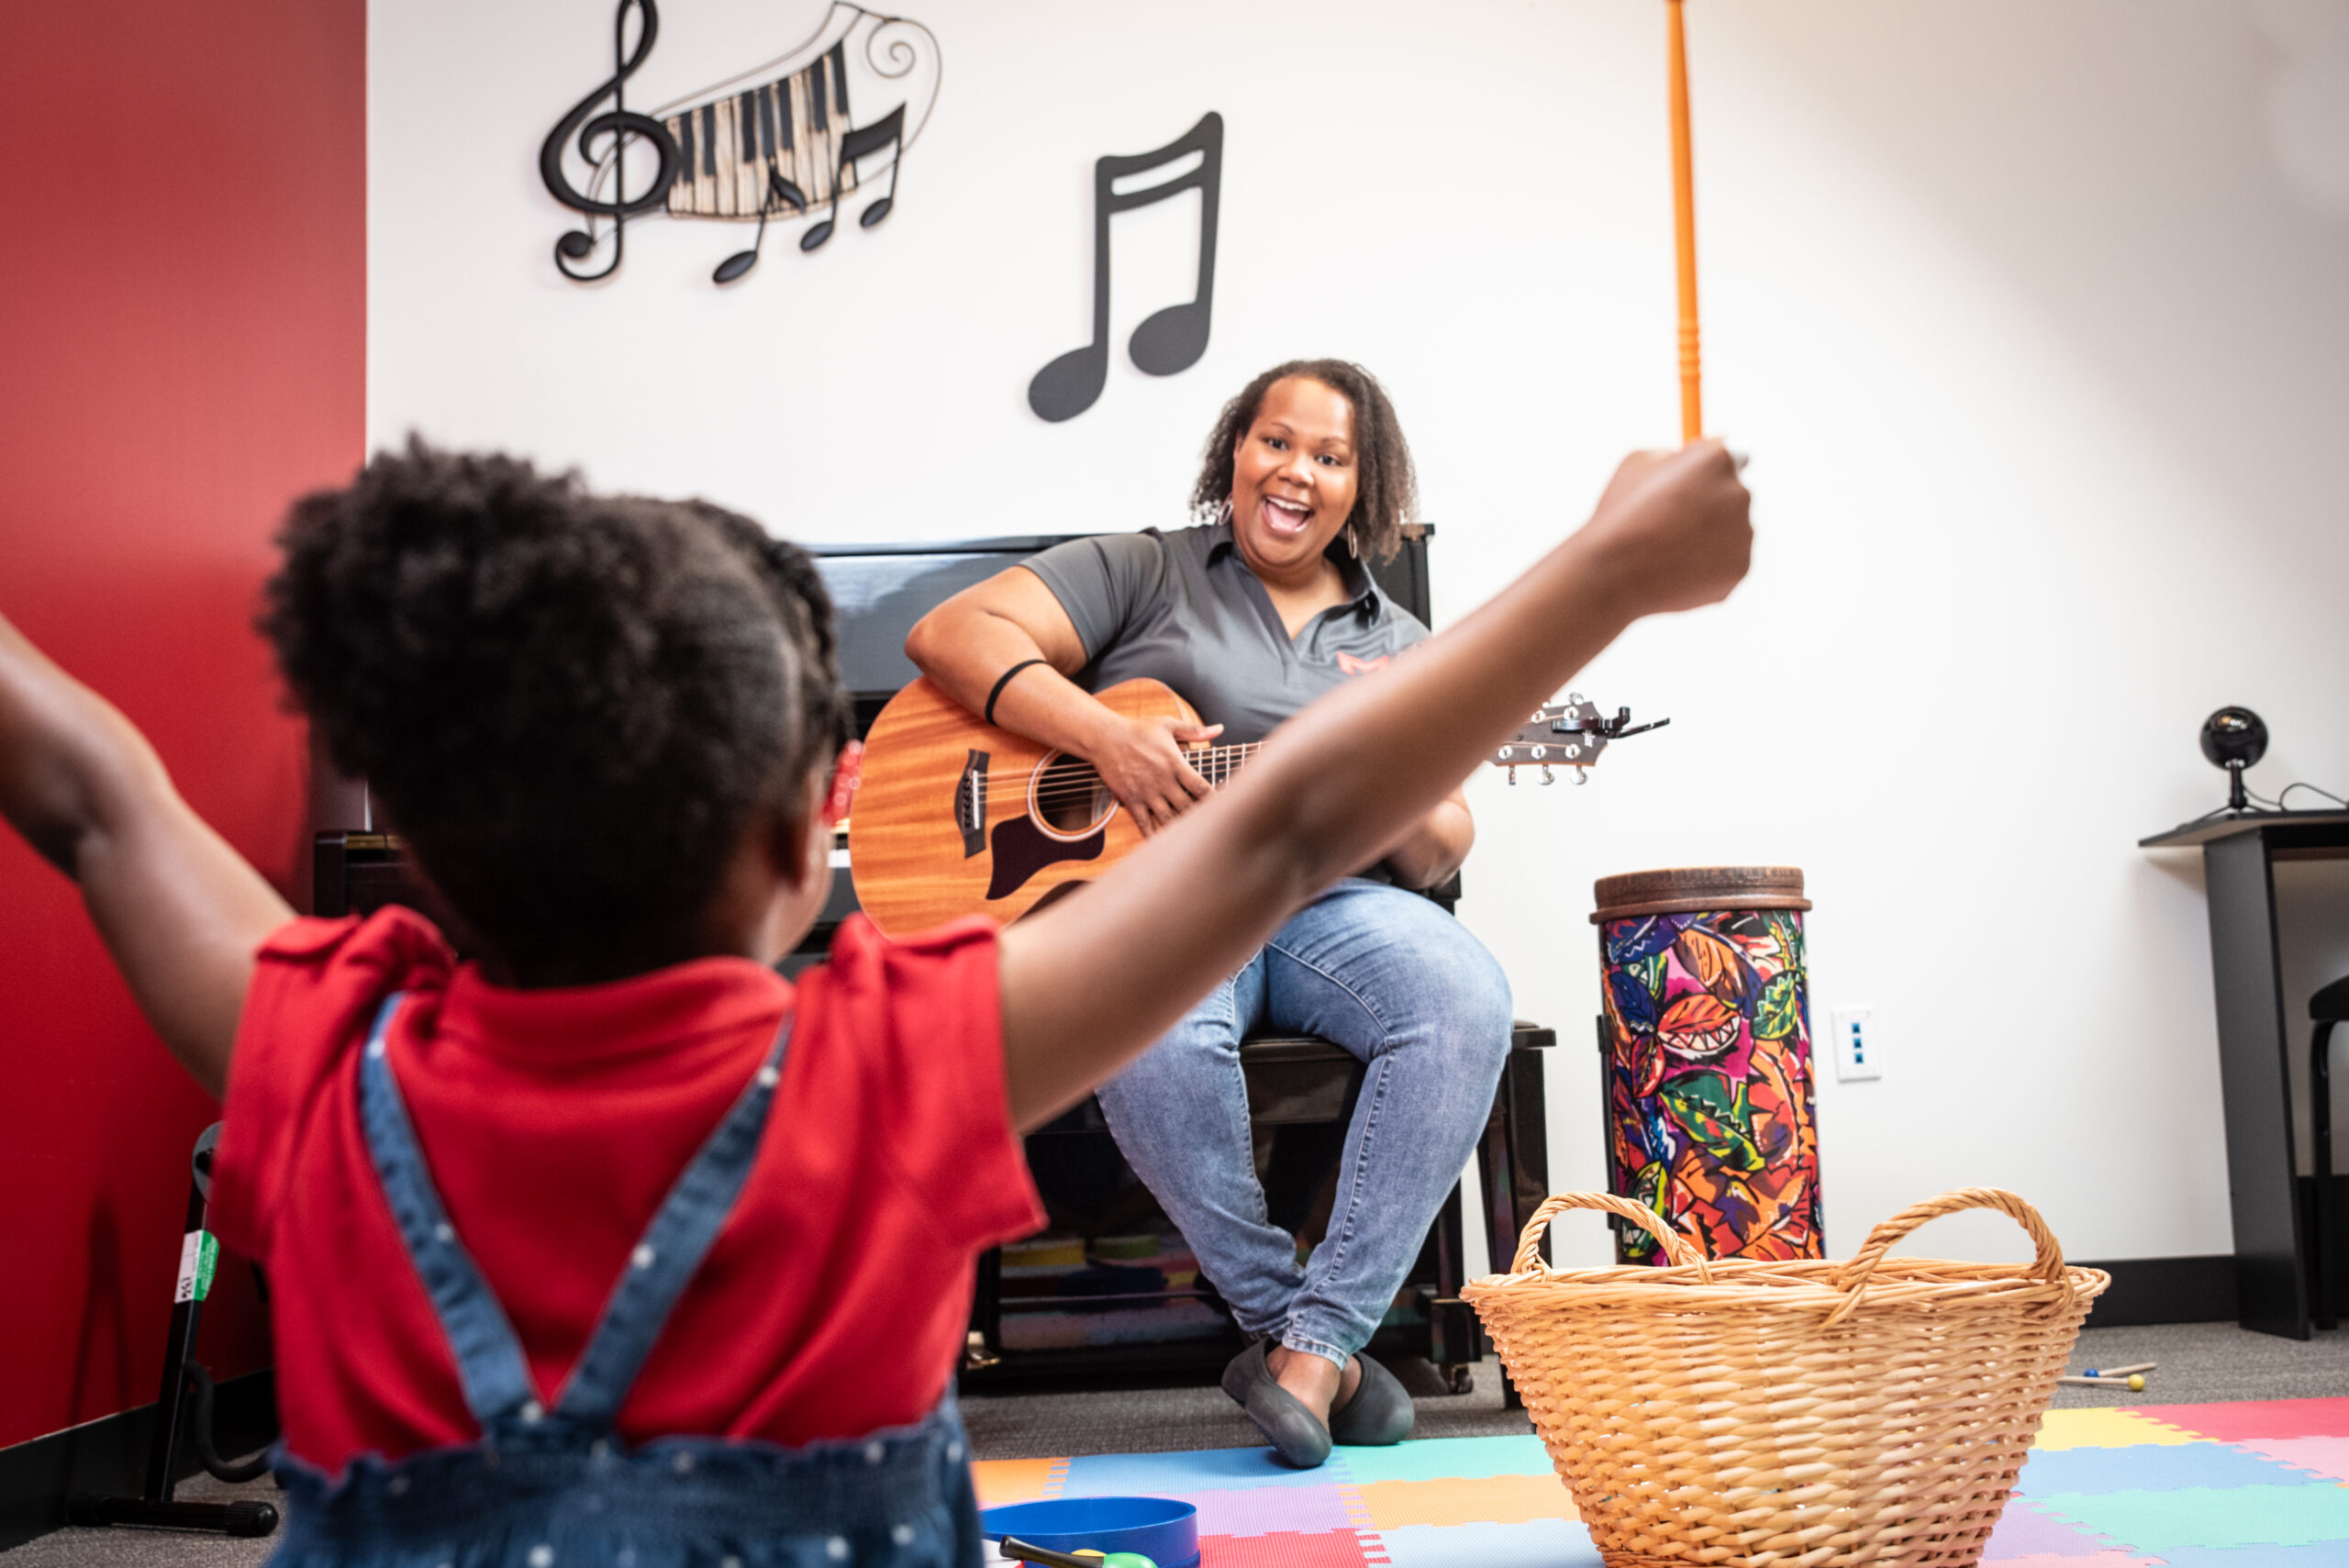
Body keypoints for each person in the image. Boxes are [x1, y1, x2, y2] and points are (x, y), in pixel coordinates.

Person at [0, 434, 1748, 1562]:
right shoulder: (902, 1054)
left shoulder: (323, 1043)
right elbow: (1292, 829)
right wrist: (1609, 568)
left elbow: (93, 798)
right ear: (817, 821)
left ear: (424, 846)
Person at [905, 360, 1492, 1463]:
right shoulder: (1143, 568)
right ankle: (1307, 1341)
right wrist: (1103, 735)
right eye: (1277, 442)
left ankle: (1306, 1351)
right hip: (1161, 898)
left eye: (1330, 458)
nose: (1296, 474)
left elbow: (1447, 838)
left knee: (1463, 993)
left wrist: (1399, 782)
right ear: (1235, 447)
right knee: (1152, 1032)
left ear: (1362, 489)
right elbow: (951, 633)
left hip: (1333, 900)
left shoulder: (1403, 642)